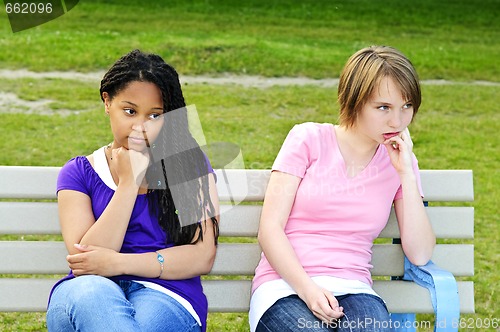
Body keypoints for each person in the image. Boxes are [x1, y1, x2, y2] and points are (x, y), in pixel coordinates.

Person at [249, 46, 436, 332]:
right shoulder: (307, 139)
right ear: (355, 101)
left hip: (355, 289)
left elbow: (420, 253)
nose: (397, 121)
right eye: (383, 107)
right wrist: (308, 290)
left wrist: (406, 175)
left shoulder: (400, 162)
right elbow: (270, 229)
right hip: (284, 287)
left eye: (406, 106)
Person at [46, 49, 219, 332]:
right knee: (94, 295)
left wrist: (117, 263)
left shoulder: (188, 164)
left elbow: (203, 255)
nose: (140, 126)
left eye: (155, 115)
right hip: (87, 293)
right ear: (107, 102)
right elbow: (85, 259)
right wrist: (129, 184)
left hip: (166, 295)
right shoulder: (78, 173)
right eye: (130, 111)